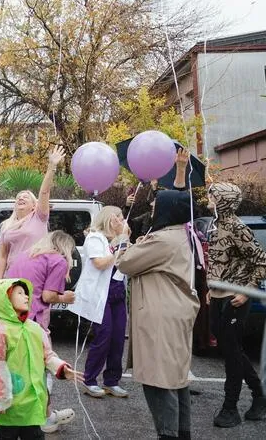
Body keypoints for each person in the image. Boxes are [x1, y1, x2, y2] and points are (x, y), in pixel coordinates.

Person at [117, 189, 201, 440]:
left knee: (159, 379)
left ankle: (168, 434)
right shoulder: (179, 235)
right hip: (174, 311)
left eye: (156, 206)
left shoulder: (163, 240)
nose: (152, 210)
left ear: (168, 210)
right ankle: (181, 432)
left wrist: (123, 240)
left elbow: (125, 262)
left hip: (161, 314)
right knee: (176, 378)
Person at [0, 279, 81, 440]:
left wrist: (61, 368)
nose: (26, 297)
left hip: (32, 403)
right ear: (5, 299)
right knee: (7, 435)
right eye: (19, 293)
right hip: (10, 404)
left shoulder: (35, 328)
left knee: (35, 435)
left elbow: (47, 355)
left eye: (26, 293)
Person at [206, 181, 266, 427]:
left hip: (236, 298)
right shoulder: (216, 225)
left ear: (224, 201)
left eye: (213, 197)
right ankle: (260, 395)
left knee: (232, 354)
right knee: (231, 350)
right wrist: (211, 288)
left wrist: (247, 292)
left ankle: (230, 408)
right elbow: (217, 261)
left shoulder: (238, 227)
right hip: (217, 296)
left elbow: (261, 261)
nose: (209, 201)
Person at [77, 206, 131, 399]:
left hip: (118, 291)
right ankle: (89, 379)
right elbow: (99, 263)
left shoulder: (120, 239)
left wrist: (128, 242)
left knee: (118, 338)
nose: (123, 222)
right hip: (101, 293)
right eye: (120, 218)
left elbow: (126, 261)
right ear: (111, 219)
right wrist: (119, 242)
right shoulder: (95, 237)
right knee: (104, 336)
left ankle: (112, 381)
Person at [0, 147, 66, 278]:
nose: (21, 198)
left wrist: (52, 166)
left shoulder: (39, 217)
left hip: (35, 272)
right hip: (12, 274)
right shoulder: (6, 225)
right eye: (18, 197)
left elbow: (44, 192)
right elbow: (2, 255)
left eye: (26, 197)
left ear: (34, 206)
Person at [5, 231, 76, 333]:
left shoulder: (24, 255)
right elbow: (48, 297)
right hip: (29, 316)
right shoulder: (58, 261)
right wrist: (64, 298)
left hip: (8, 311)